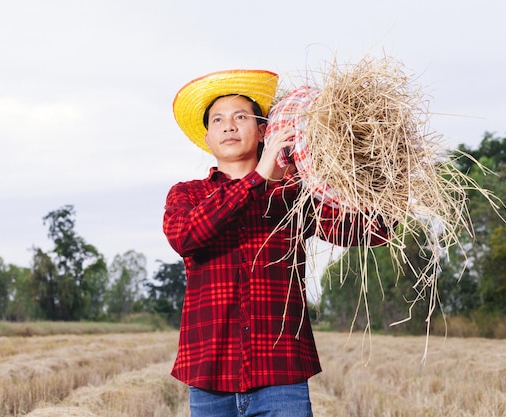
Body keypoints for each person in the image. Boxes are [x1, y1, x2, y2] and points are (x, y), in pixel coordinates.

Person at [163, 69, 390, 416]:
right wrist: (258, 177)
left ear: (264, 131)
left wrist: (378, 173)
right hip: (209, 376)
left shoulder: (292, 196)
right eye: (218, 120)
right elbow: (185, 236)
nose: (229, 126)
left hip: (281, 375)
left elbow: (370, 231)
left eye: (241, 117)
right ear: (208, 137)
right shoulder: (189, 194)